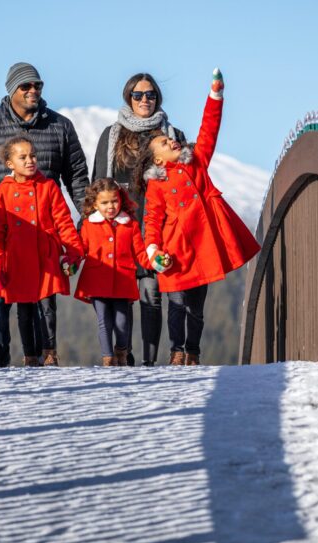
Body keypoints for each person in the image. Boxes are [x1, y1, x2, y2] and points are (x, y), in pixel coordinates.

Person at [0, 62, 89, 367]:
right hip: (4, 230)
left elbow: (76, 175)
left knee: (44, 296)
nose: (33, 90)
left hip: (45, 233)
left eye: (38, 85)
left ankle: (42, 355)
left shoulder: (60, 126)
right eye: (26, 86)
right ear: (12, 90)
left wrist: (86, 221)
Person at [138, 69, 260, 366]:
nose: (173, 143)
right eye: (166, 144)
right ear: (157, 159)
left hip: (204, 245)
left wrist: (215, 95)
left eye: (173, 141)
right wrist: (152, 250)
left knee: (197, 306)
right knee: (177, 305)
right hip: (176, 250)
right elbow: (152, 219)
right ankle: (176, 351)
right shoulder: (156, 184)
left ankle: (192, 351)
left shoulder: (196, 162)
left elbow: (209, 130)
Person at [92, 73, 186, 367]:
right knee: (120, 294)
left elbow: (185, 180)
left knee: (151, 293)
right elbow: (99, 182)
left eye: (150, 95)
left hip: (159, 224)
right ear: (127, 97)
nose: (144, 100)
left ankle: (148, 362)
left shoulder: (173, 135)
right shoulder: (111, 135)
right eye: (137, 95)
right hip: (120, 225)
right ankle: (122, 353)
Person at [0, 137, 83, 367]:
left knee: (47, 307)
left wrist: (73, 251)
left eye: (32, 156)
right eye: (23, 157)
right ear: (10, 164)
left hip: (46, 256)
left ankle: (49, 353)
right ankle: (30, 355)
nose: (30, 161)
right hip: (18, 257)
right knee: (25, 309)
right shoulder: (4, 191)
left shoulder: (48, 186)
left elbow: (63, 222)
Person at [74, 178, 155, 366]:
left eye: (114, 201)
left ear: (121, 200)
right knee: (104, 321)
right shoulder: (88, 225)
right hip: (96, 280)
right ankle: (108, 358)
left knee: (121, 322)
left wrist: (156, 262)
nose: (110, 206)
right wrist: (71, 261)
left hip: (123, 282)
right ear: (95, 203)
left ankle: (121, 351)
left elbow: (141, 254)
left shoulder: (131, 225)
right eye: (104, 202)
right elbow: (81, 250)